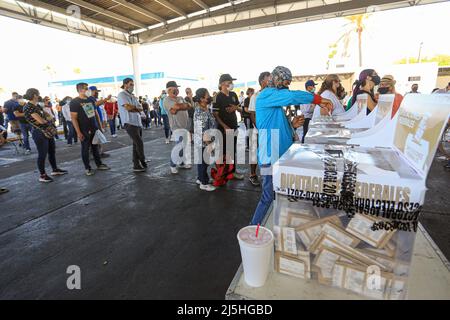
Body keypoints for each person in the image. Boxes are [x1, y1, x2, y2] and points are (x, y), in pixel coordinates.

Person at [250, 66, 332, 225]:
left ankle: (273, 227)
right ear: (277, 80)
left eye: (288, 83)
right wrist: (318, 99)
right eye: (285, 82)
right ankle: (254, 231)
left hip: (279, 156)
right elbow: (292, 96)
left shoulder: (274, 101)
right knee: (267, 197)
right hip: (269, 157)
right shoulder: (266, 95)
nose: (286, 86)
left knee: (277, 195)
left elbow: (276, 126)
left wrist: (292, 125)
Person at [23, 88, 67, 182]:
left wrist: (48, 118)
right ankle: (42, 175)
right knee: (42, 154)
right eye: (38, 94)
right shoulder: (28, 107)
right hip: (39, 132)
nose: (39, 95)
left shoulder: (37, 105)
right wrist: (48, 119)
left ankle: (55, 170)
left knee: (52, 151)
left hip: (46, 130)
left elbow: (48, 115)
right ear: (35, 95)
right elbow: (41, 121)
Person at [70, 82, 110, 176]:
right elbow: (73, 118)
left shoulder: (90, 99)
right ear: (80, 90)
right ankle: (87, 168)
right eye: (86, 88)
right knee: (85, 149)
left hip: (94, 128)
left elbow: (95, 112)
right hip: (84, 129)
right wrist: (78, 132)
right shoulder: (75, 102)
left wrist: (99, 126)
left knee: (95, 147)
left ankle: (99, 164)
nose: (88, 90)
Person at [212, 74, 245, 183]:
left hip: (234, 126)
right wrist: (224, 126)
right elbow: (215, 114)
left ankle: (232, 172)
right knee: (222, 152)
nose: (231, 84)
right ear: (222, 83)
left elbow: (239, 109)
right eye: (229, 82)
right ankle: (221, 173)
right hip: (223, 129)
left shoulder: (233, 94)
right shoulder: (217, 97)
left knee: (232, 151)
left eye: (232, 82)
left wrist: (236, 107)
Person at [117, 78, 147, 173]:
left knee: (136, 144)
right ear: (125, 85)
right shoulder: (122, 95)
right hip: (129, 122)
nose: (132, 86)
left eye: (133, 84)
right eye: (131, 84)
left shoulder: (133, 96)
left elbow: (140, 107)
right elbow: (128, 108)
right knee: (139, 142)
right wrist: (135, 108)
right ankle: (142, 159)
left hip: (137, 122)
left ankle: (136, 164)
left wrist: (135, 108)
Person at [163, 81, 192, 174]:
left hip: (185, 126)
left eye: (177, 88)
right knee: (179, 146)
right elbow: (175, 107)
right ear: (169, 90)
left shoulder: (180, 98)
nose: (177, 90)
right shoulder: (166, 100)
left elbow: (189, 106)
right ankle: (173, 165)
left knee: (184, 146)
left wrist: (180, 106)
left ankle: (182, 162)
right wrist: (181, 106)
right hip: (176, 127)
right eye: (175, 88)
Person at [193, 88, 217, 192]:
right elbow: (203, 131)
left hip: (205, 141)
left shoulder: (205, 109)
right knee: (203, 162)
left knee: (202, 162)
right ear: (202, 99)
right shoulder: (200, 112)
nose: (209, 96)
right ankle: (204, 183)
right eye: (207, 95)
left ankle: (200, 178)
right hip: (203, 142)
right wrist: (209, 145)